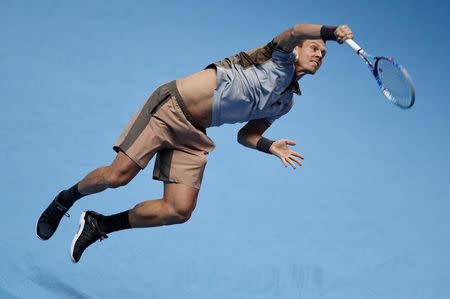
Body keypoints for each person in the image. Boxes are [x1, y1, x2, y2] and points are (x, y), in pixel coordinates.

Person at [36, 24, 353, 263]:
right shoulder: (273, 57)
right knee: (118, 176)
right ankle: (66, 198)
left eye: (323, 53)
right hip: (170, 108)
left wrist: (269, 146)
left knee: (179, 209)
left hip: (196, 132)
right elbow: (297, 29)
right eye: (314, 47)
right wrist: (329, 31)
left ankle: (100, 223)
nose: (319, 54)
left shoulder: (285, 103)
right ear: (296, 49)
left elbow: (246, 135)